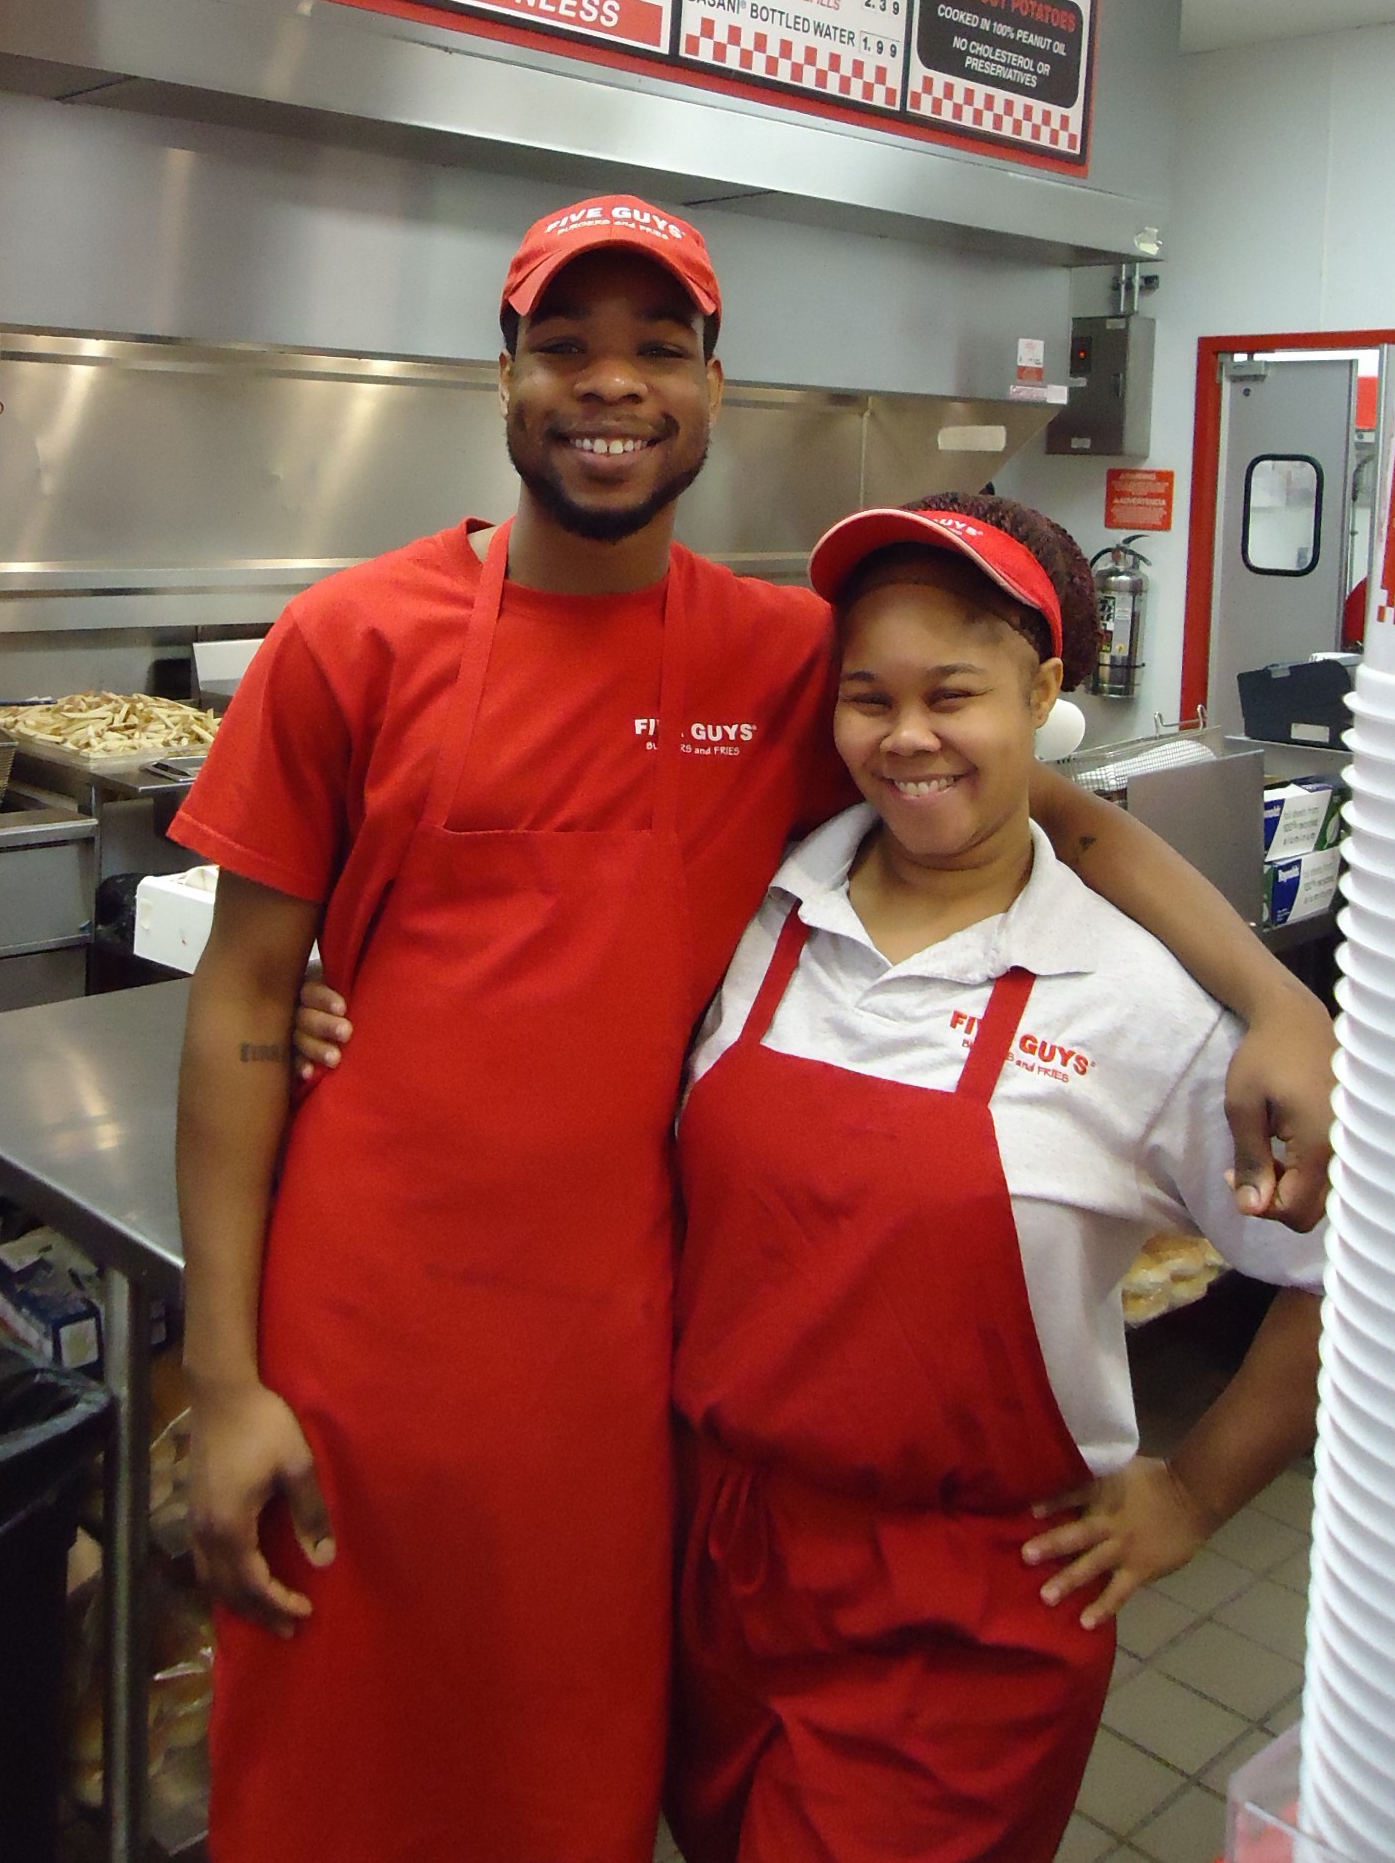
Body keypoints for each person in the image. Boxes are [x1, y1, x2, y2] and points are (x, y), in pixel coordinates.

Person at [184, 194, 1329, 1863]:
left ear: (715, 382)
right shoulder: (350, 639)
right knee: (336, 1785)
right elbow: (235, 997)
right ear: (498, 370)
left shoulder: (788, 657)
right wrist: (222, 1376)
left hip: (629, 1384)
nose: (611, 383)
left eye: (660, 347)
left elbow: (1054, 814)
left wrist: (1276, 995)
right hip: (364, 1346)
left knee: (563, 1794)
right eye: (565, 343)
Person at [664, 499, 1323, 1863]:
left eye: (951, 693)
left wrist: (1194, 1489)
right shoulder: (767, 905)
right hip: (718, 1558)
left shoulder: (1138, 996)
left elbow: (1361, 1267)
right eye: (869, 697)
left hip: (956, 1616)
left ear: (1040, 695)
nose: (905, 736)